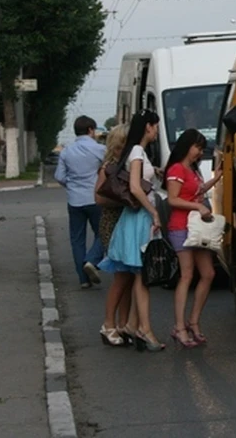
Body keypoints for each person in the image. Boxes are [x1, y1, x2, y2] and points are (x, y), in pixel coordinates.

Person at [98, 110, 165, 352]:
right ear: (148, 127)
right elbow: (136, 188)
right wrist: (154, 212)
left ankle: (135, 324)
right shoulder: (137, 151)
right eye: (155, 126)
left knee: (139, 274)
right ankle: (143, 329)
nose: (157, 131)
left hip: (136, 219)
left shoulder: (137, 152)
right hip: (139, 219)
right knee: (141, 275)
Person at [164, 129, 222, 348]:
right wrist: (197, 206)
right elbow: (172, 199)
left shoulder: (192, 170)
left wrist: (215, 179)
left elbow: (196, 191)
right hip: (182, 226)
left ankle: (193, 321)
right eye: (197, 147)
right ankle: (180, 326)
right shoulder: (177, 169)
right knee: (187, 275)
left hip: (197, 227)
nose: (199, 152)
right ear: (187, 146)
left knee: (208, 273)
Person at [54, 116, 107, 289]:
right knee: (103, 233)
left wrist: (72, 185)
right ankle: (92, 260)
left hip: (75, 200)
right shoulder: (100, 149)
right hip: (96, 198)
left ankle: (83, 279)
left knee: (77, 239)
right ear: (91, 130)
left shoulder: (66, 151)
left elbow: (59, 177)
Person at [93, 124, 134, 347]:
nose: (124, 150)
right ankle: (108, 324)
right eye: (121, 146)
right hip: (113, 224)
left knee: (129, 276)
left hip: (127, 223)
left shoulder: (129, 166)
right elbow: (98, 198)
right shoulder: (108, 168)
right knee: (121, 276)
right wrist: (125, 199)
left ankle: (123, 323)